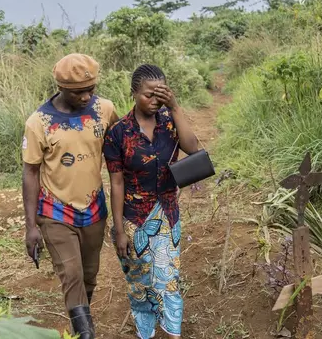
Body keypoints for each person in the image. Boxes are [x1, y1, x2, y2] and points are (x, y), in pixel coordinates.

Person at [22, 53, 118, 339]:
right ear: (61, 87)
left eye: (91, 89)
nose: (87, 97)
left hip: (94, 208)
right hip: (55, 210)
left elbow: (123, 147)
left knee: (88, 275)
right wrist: (30, 226)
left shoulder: (105, 109)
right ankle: (86, 334)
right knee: (72, 273)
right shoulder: (39, 122)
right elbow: (30, 173)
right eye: (79, 92)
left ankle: (80, 323)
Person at [103, 64, 198, 339]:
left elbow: (193, 149)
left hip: (167, 215)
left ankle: (172, 333)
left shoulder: (170, 122)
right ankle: (146, 333)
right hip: (133, 219)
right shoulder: (118, 133)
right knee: (140, 284)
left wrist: (176, 107)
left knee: (168, 281)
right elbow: (116, 183)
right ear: (133, 93)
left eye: (161, 94)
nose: (155, 101)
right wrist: (119, 229)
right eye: (148, 95)